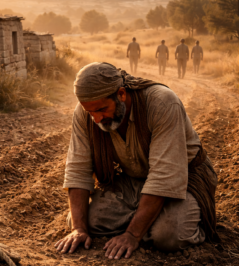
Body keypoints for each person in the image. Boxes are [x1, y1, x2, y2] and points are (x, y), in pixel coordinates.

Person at [55, 62, 218, 260]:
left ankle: (188, 217)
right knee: (82, 219)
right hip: (134, 180)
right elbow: (78, 169)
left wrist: (132, 235)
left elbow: (164, 175)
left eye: (102, 110)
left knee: (167, 236)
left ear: (121, 94)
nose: (97, 119)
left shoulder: (162, 103)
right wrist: (79, 229)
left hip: (184, 179)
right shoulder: (86, 113)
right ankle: (150, 216)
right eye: (90, 113)